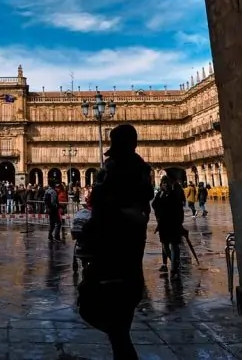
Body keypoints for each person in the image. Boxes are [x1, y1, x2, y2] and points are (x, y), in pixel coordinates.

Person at [78, 124, 152, 360]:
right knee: (121, 326)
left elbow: (100, 208)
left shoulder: (115, 175)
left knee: (97, 310)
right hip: (130, 255)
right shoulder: (141, 173)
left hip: (110, 255)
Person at [152, 177, 186, 275]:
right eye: (163, 183)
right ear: (161, 185)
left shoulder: (174, 195)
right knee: (165, 246)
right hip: (163, 225)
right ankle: (172, 263)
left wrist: (180, 224)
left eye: (167, 183)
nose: (165, 185)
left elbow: (179, 210)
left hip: (174, 224)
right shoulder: (160, 195)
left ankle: (174, 267)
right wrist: (159, 196)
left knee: (174, 245)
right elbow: (154, 205)